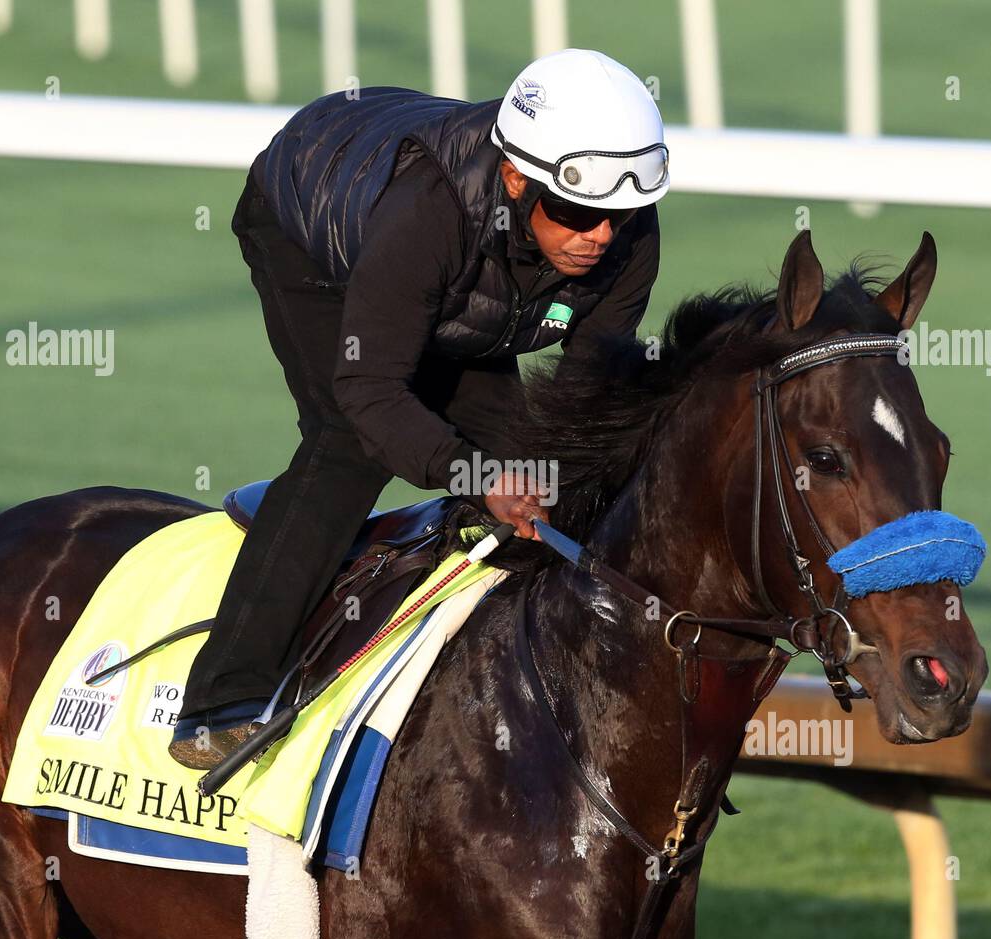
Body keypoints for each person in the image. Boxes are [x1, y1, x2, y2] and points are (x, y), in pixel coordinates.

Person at [170, 48, 670, 769]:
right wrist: (471, 475)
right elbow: (372, 391)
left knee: (536, 472)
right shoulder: (426, 212)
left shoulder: (627, 241)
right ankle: (221, 700)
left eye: (620, 217)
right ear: (515, 176)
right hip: (313, 229)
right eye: (577, 213)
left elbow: (584, 398)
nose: (600, 237)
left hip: (461, 289)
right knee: (349, 445)